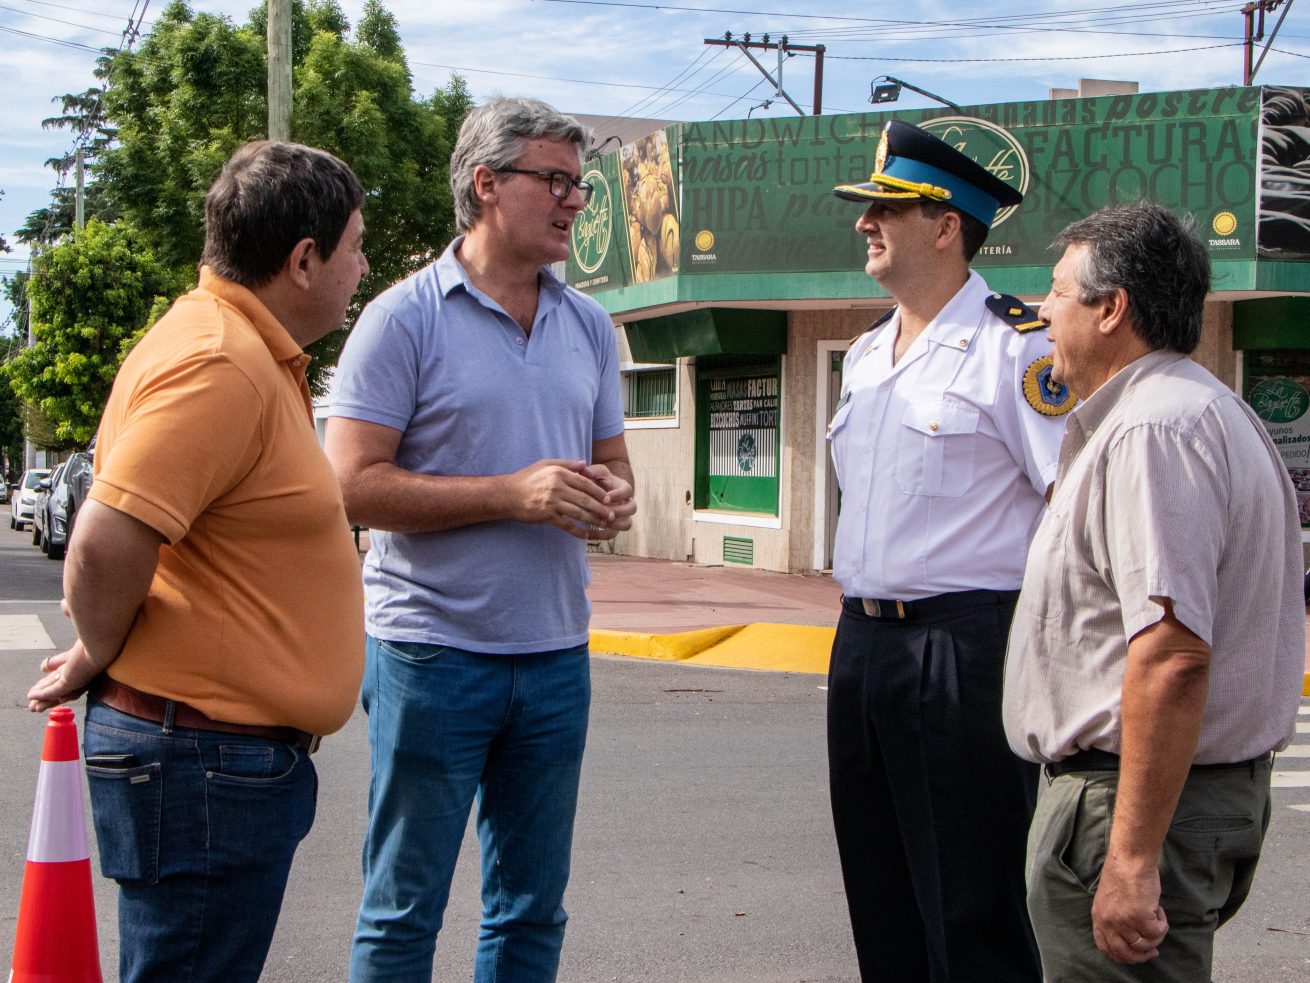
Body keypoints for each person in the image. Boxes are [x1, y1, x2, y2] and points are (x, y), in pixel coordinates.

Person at [26, 141, 369, 982]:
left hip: (214, 761)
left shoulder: (236, 345)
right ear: (303, 258)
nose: (362, 267)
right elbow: (106, 538)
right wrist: (99, 651)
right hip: (204, 762)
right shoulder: (220, 360)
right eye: (356, 246)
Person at [325, 97, 636, 983]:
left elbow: (614, 465)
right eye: (557, 181)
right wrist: (512, 493)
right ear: (487, 184)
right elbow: (350, 484)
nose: (576, 201)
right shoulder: (403, 318)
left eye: (580, 184)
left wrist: (611, 497)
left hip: (554, 655)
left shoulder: (586, 325)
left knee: (532, 908)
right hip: (431, 656)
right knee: (401, 910)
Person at [1004, 200, 1304, 981]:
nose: (1041, 310)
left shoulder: (1152, 432)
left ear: (1112, 309)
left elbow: (1172, 655)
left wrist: (1131, 858)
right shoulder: (1199, 411)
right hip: (1170, 800)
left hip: (1128, 806)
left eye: (1058, 290)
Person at [826, 120, 1071, 982]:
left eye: (888, 208)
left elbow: (1071, 508)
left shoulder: (1020, 346)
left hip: (963, 648)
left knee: (971, 912)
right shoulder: (862, 356)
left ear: (947, 225)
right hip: (861, 643)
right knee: (881, 900)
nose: (866, 222)